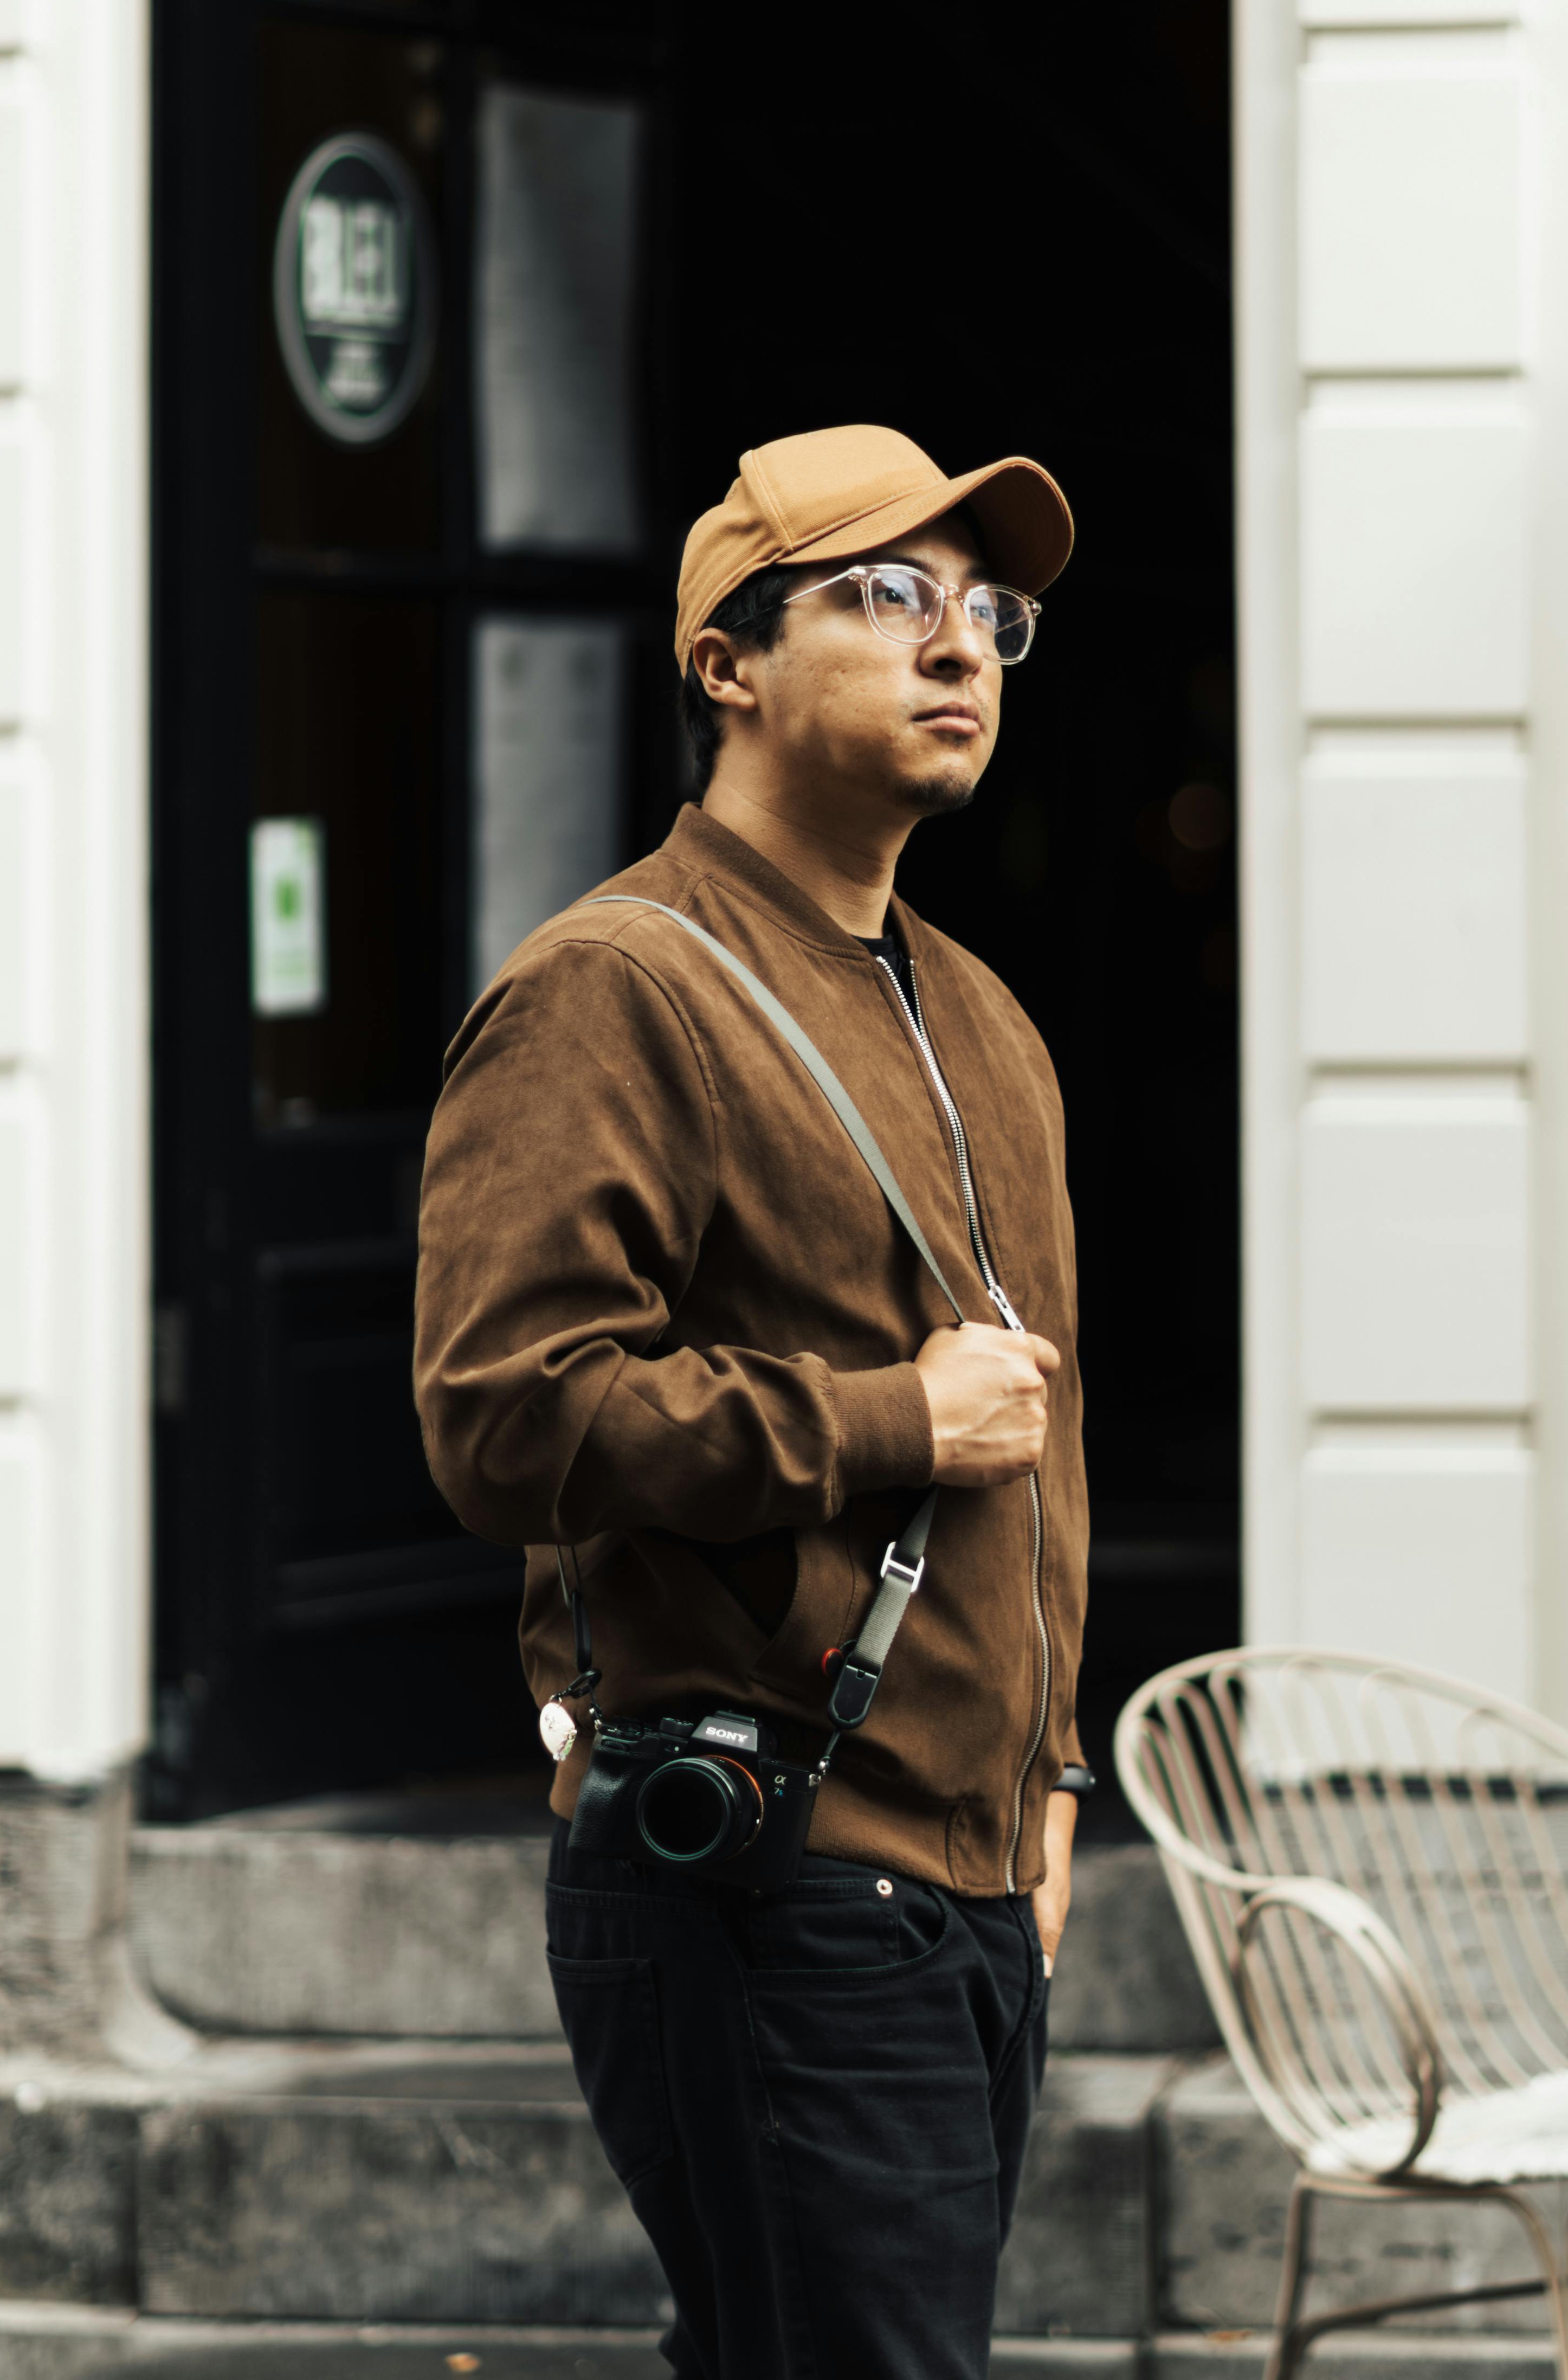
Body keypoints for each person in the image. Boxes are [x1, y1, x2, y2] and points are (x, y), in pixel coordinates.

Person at [414, 422, 1092, 2380]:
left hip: (966, 1882)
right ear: (728, 659)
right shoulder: (616, 989)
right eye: (886, 597)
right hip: (766, 1864)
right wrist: (886, 1421)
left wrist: (1047, 1790)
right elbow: (504, 1416)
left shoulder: (984, 1021)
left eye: (989, 614)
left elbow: (1039, 1445)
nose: (956, 646)